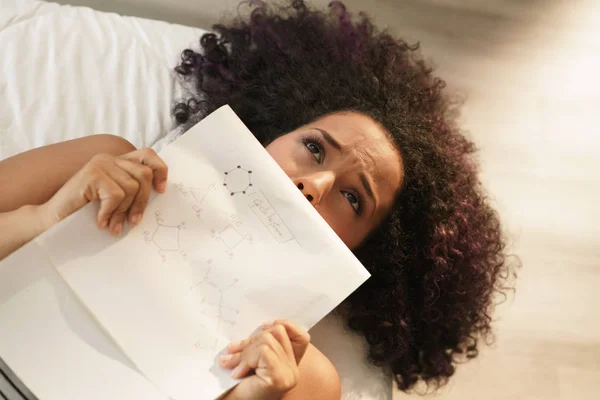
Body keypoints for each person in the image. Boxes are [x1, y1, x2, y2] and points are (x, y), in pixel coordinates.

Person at [0, 1, 515, 399]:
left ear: (363, 250)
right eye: (314, 148)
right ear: (269, 131)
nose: (316, 185)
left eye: (355, 199)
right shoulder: (106, 161)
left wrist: (255, 395)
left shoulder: (304, 377)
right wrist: (44, 218)